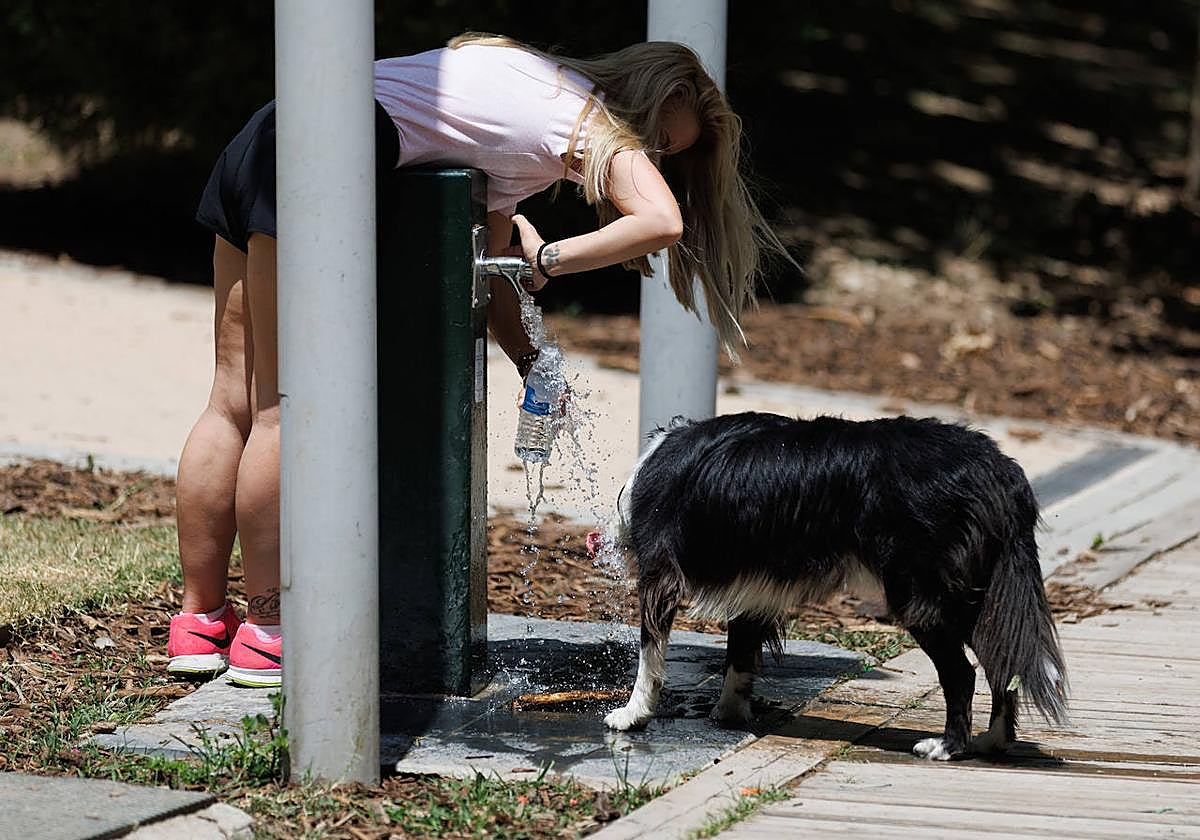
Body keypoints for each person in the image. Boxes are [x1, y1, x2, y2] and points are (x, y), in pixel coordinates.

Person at [167, 32, 788, 687]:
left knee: (231, 403)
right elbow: (662, 221)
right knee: (278, 412)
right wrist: (552, 259)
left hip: (272, 129)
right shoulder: (580, 119)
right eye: (658, 141)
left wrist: (531, 361)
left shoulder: (524, 104)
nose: (651, 158)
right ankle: (267, 633)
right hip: (322, 151)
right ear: (650, 102)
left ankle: (199, 622)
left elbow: (488, 276)